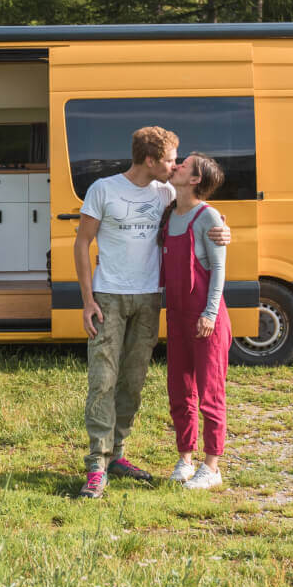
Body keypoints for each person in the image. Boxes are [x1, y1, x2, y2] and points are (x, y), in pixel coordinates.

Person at [74, 127, 230, 499]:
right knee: (103, 380)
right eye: (170, 159)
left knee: (132, 382)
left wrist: (225, 231)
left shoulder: (166, 193)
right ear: (150, 160)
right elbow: (82, 242)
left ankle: (118, 455)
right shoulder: (103, 189)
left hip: (149, 300)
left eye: (179, 162)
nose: (174, 165)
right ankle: (97, 464)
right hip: (109, 297)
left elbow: (203, 214)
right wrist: (87, 300)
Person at [159, 153, 231, 489]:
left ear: (195, 179)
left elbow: (218, 269)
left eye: (183, 164)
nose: (176, 166)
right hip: (177, 315)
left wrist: (210, 314)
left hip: (205, 319)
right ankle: (185, 460)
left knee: (209, 392)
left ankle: (211, 467)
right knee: (179, 389)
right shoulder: (169, 212)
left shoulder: (208, 216)